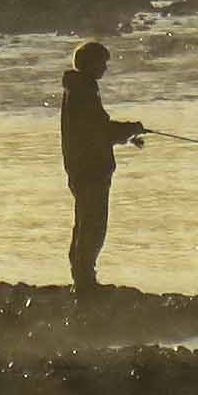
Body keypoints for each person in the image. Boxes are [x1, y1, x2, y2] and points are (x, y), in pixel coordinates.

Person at [57, 40, 145, 291]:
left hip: (81, 167)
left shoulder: (79, 89)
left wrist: (127, 136)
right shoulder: (83, 92)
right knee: (94, 224)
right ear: (91, 64)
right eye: (102, 63)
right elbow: (99, 131)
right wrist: (130, 129)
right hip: (90, 169)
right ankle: (85, 281)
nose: (105, 68)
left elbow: (96, 130)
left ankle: (82, 277)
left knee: (85, 222)